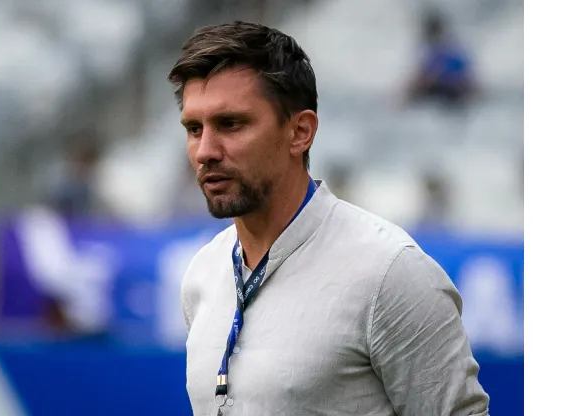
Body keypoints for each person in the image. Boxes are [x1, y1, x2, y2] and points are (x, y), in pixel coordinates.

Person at [168, 21, 489, 415]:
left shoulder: (390, 273)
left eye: (231, 124)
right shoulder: (203, 274)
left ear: (300, 132)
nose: (205, 151)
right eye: (193, 128)